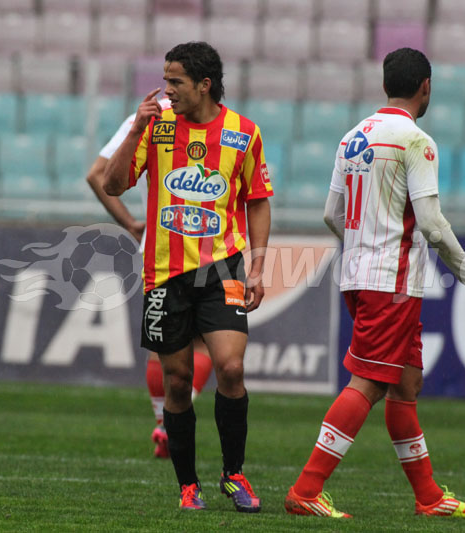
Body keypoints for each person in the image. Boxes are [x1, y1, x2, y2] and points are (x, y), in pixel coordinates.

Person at [284, 48, 465, 519]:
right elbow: (433, 225)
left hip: (357, 275)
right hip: (390, 280)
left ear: (384, 85)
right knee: (372, 381)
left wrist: (363, 243)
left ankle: (430, 498)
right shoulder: (415, 141)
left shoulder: (352, 137)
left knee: (405, 383)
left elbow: (330, 214)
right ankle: (306, 489)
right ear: (426, 87)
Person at [103, 41, 272, 512]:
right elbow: (113, 184)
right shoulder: (155, 128)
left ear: (204, 85)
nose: (166, 89)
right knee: (177, 382)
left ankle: (234, 474)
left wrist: (258, 264)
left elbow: (257, 199)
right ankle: (187, 486)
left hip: (224, 267)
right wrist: (136, 130)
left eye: (175, 81)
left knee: (231, 369)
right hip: (163, 272)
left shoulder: (244, 133)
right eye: (165, 78)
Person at [85, 104, 214, 460]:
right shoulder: (219, 118)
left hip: (158, 245)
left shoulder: (147, 117)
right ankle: (170, 424)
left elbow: (96, 174)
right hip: (208, 245)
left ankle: (164, 422)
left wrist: (130, 223)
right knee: (203, 340)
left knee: (163, 342)